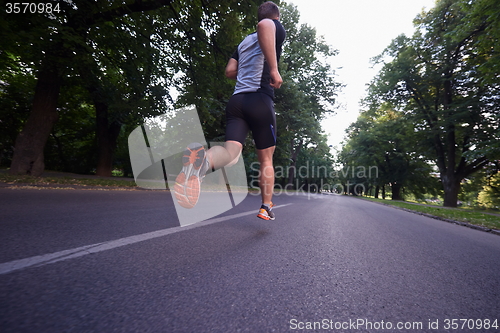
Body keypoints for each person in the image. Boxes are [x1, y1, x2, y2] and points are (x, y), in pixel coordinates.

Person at [174, 1, 286, 220]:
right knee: (266, 158)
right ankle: (266, 206)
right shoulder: (272, 26)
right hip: (260, 99)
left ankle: (201, 161)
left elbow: (230, 71)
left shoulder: (244, 43)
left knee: (231, 153)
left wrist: (248, 70)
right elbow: (264, 25)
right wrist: (273, 69)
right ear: (277, 17)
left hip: (237, 102)